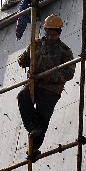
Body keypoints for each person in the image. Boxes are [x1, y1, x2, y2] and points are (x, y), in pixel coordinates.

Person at [17, 14, 75, 154]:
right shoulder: (36, 44)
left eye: (54, 33)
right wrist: (22, 59)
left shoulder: (65, 51)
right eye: (49, 32)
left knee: (43, 117)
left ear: (59, 33)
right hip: (34, 83)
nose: (50, 36)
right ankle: (32, 127)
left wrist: (51, 76)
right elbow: (24, 59)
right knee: (22, 96)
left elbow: (69, 73)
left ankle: (34, 148)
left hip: (51, 89)